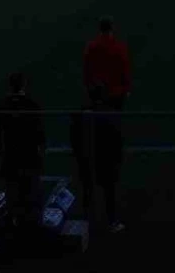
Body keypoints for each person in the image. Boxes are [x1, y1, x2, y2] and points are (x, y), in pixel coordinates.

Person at [0, 72, 45, 230]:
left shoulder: (3, 105)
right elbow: (40, 134)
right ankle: (31, 228)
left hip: (11, 157)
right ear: (23, 85)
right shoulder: (32, 104)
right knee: (30, 194)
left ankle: (14, 228)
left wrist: (1, 150)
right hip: (29, 157)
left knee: (13, 195)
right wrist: (41, 150)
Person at [71, 84, 125, 235]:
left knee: (88, 190)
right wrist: (118, 157)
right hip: (106, 159)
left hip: (87, 157)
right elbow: (117, 139)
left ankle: (86, 222)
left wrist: (78, 155)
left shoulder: (81, 113)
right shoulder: (111, 114)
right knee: (109, 191)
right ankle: (111, 221)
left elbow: (74, 137)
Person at [83, 17, 132, 110]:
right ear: (112, 29)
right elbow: (125, 68)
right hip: (116, 92)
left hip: (98, 92)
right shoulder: (120, 47)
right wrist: (127, 88)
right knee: (114, 120)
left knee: (99, 120)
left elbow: (87, 69)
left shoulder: (92, 47)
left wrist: (89, 87)